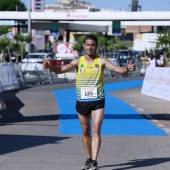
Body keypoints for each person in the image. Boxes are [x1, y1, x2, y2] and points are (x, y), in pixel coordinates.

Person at [43, 35, 136, 170]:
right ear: (84, 46)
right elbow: (60, 70)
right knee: (86, 131)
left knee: (96, 130)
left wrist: (127, 69)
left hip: (98, 100)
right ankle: (88, 159)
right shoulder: (77, 62)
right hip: (82, 101)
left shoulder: (102, 61)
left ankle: (94, 161)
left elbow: (117, 69)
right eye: (87, 44)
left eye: (92, 45)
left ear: (96, 47)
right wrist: (50, 66)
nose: (90, 47)